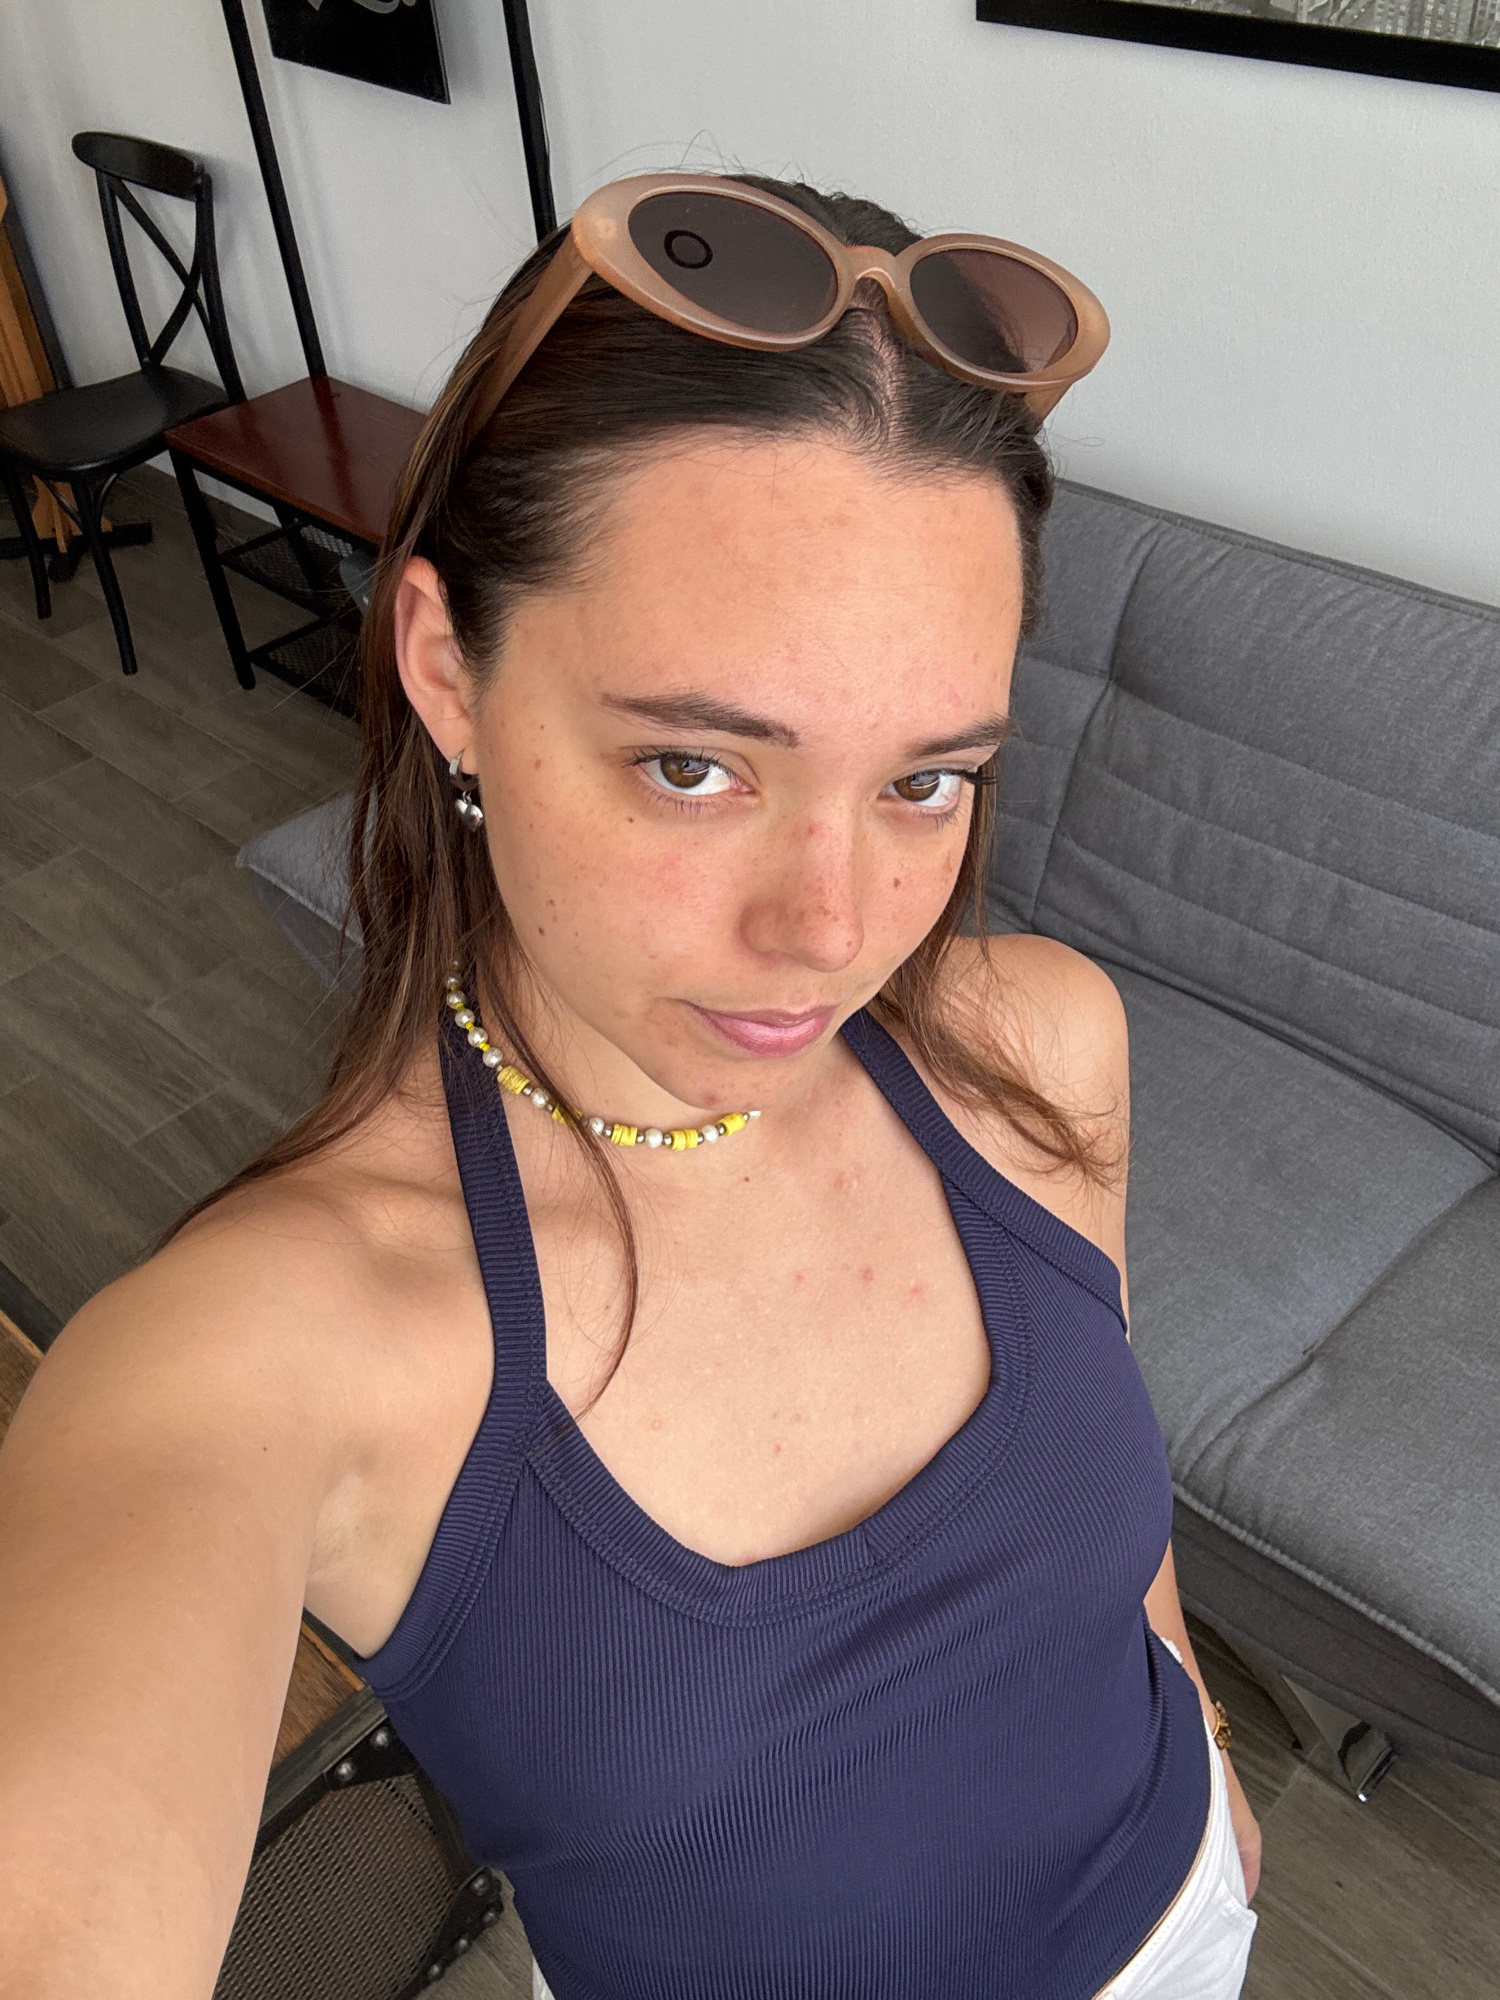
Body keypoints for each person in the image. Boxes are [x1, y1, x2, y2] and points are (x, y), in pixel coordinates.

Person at [0, 171, 1261, 2000]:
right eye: (693, 765)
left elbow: (1107, 1530)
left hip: (1183, 1916)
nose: (831, 931)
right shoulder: (268, 1351)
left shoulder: (1038, 1053)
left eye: (926, 781)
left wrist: (1203, 1742)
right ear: (447, 670)